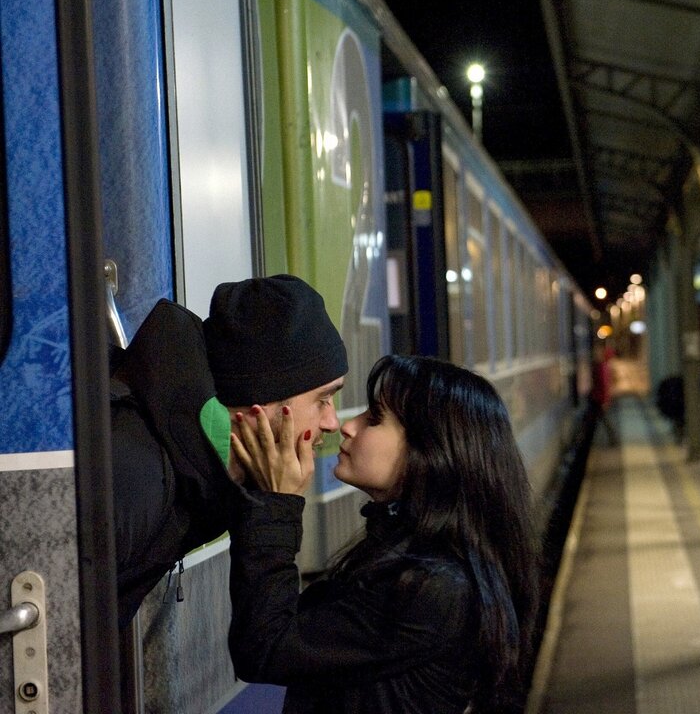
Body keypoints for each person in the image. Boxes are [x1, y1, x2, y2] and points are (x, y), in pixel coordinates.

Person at [226, 354, 540, 714]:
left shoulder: (433, 588)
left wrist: (277, 506)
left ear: (430, 451)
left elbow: (266, 648)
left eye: (374, 418)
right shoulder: (413, 557)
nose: (346, 426)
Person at [110, 274, 347, 626]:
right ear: (262, 406)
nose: (333, 423)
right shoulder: (137, 474)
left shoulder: (193, 470)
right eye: (323, 399)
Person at [586, 342, 620, 446]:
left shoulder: (601, 367)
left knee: (600, 420)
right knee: (601, 420)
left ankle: (613, 439)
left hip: (598, 399)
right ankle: (613, 439)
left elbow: (604, 385)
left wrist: (605, 400)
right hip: (598, 398)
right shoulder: (603, 366)